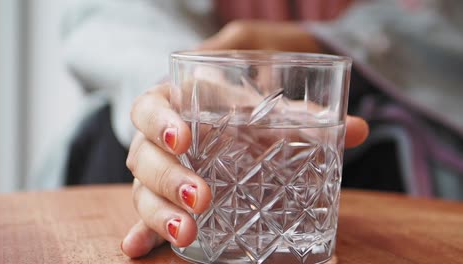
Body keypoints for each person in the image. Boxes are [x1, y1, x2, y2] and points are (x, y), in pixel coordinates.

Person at [59, 0, 463, 258]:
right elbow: (109, 14)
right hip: (207, 120)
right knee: (112, 142)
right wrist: (180, 92)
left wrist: (326, 44)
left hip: (388, 118)